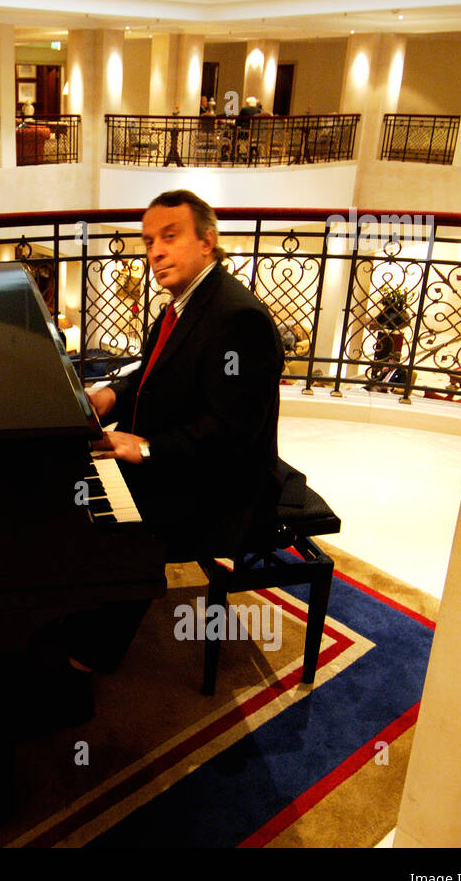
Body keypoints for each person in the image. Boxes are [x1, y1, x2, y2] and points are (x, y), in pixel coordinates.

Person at [43, 189, 284, 711]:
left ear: (208, 241)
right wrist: (103, 399)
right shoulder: (182, 306)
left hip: (228, 482)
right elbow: (148, 379)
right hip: (187, 457)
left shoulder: (238, 319)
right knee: (76, 489)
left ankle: (78, 672)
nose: (154, 251)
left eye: (169, 236)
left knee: (129, 529)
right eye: (149, 240)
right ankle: (65, 615)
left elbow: (232, 434)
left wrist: (147, 449)